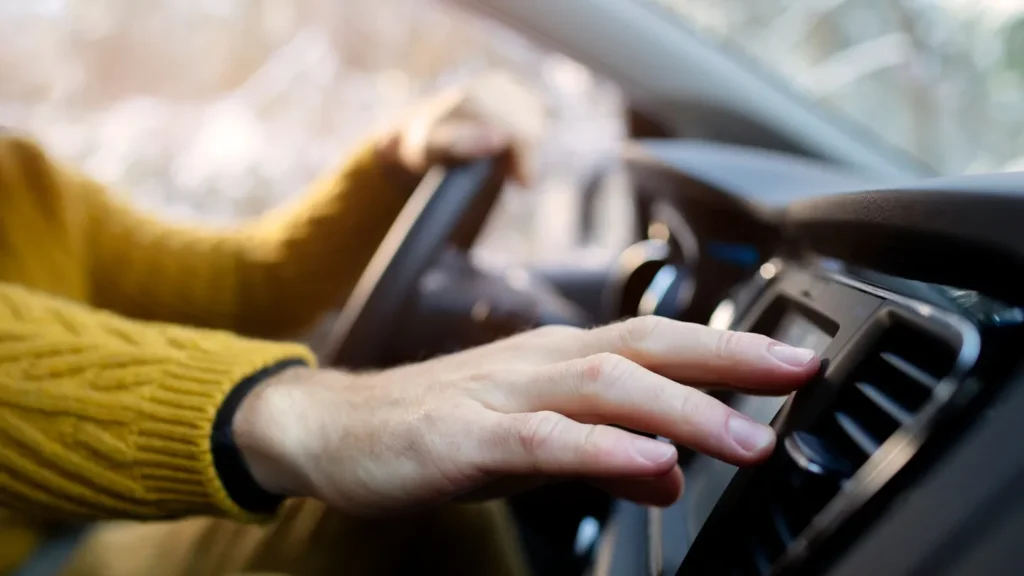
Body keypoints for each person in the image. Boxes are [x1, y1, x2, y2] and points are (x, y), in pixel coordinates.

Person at [0, 71, 820, 576]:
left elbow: (241, 288)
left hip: (76, 532)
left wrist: (394, 161)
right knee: (412, 517)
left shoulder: (20, 180)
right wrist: (310, 415)